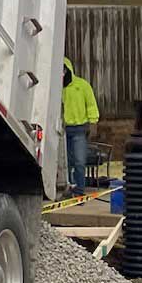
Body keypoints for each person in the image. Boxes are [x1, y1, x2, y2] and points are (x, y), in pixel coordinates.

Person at [61, 58, 100, 195]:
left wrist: (93, 123)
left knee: (79, 161)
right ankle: (68, 188)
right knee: (65, 164)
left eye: (64, 70)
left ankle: (79, 190)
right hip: (62, 131)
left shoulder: (82, 86)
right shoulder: (57, 89)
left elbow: (91, 104)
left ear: (68, 70)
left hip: (79, 129)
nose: (62, 73)